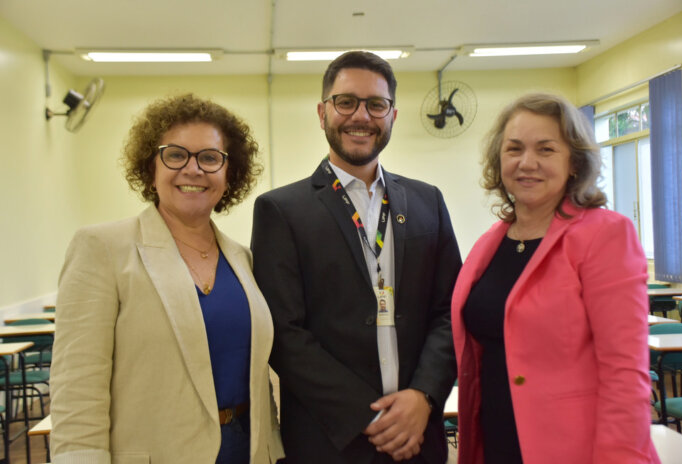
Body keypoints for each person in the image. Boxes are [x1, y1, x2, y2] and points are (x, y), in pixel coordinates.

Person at [251, 51, 461, 464]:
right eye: (345, 102)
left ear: (393, 115)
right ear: (322, 111)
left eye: (376, 104)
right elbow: (284, 332)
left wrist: (423, 397)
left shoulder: (426, 202)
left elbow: (450, 309)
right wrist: (365, 417)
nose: (360, 115)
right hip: (329, 442)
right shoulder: (281, 210)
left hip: (418, 438)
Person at [50, 94, 284, 464]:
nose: (193, 169)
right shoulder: (102, 248)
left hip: (248, 451)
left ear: (230, 173)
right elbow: (77, 390)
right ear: (151, 167)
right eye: (175, 154)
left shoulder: (243, 258)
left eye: (210, 158)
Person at [451, 93, 659, 463]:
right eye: (514, 149)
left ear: (574, 163)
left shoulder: (605, 235)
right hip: (496, 441)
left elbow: (625, 373)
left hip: (573, 448)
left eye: (546, 150)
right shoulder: (491, 243)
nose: (527, 162)